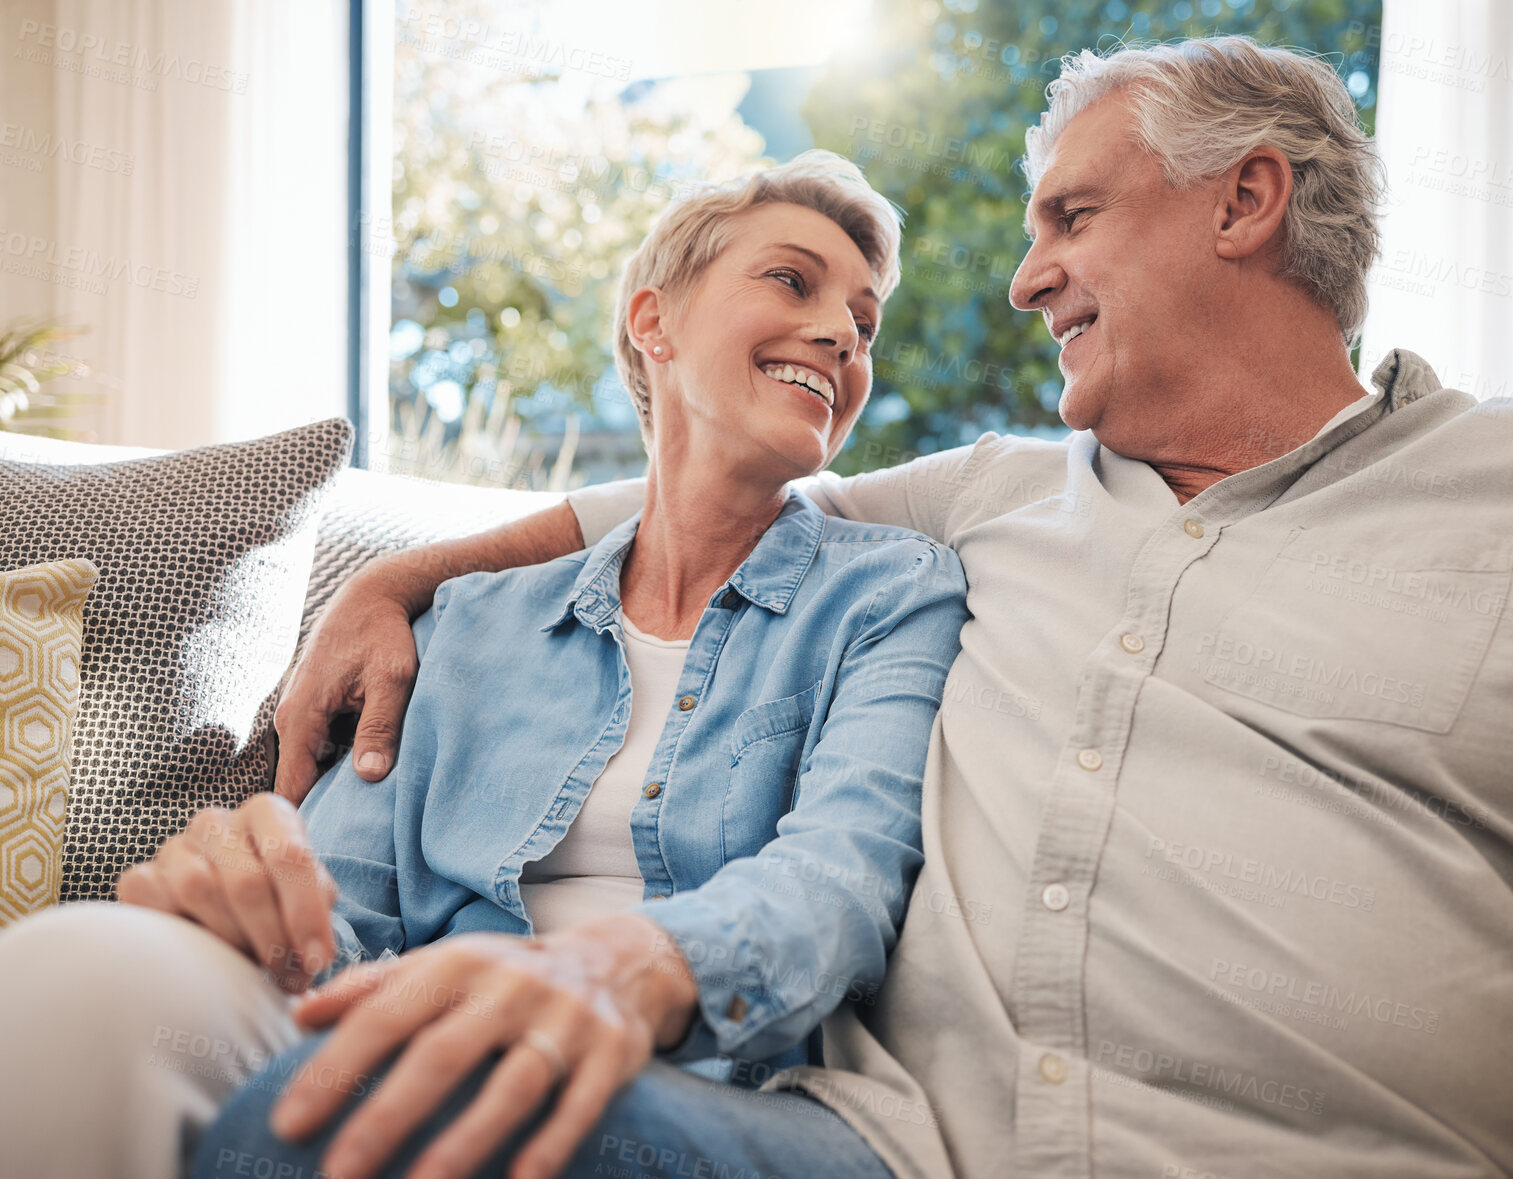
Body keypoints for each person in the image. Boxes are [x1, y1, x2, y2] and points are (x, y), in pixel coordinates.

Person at [265, 34, 1513, 1179]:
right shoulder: (989, 497)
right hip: (892, 1148)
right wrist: (400, 572)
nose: (1022, 281)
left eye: (1071, 217)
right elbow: (699, 507)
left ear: (1243, 201)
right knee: (337, 1111)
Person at [0, 150, 968, 1179]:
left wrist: (600, 972)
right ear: (655, 323)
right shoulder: (468, 624)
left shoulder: (891, 592)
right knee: (77, 972)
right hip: (404, 1030)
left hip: (739, 1088)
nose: (839, 335)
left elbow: (839, 886)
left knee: (412, 1098)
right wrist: (249, 903)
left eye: (863, 325)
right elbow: (341, 914)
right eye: (791, 280)